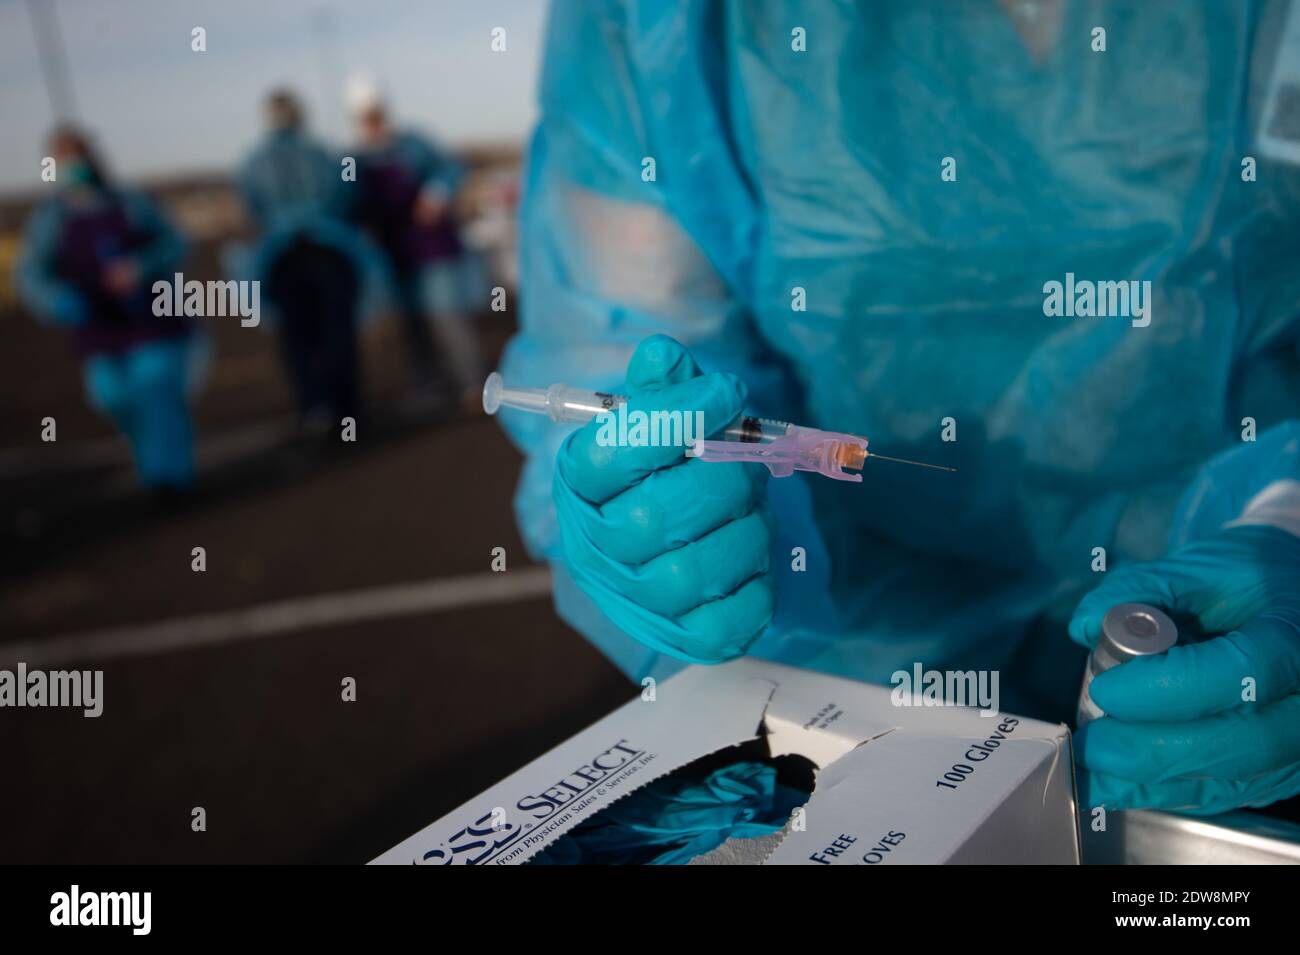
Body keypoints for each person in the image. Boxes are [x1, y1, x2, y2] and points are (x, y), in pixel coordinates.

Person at [497, 1, 1300, 817]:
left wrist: (1290, 519)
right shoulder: (659, 22)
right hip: (863, 664)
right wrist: (667, 504)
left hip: (1234, 628)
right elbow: (613, 342)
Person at [16, 126, 196, 492]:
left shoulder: (130, 202)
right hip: (99, 330)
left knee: (156, 393)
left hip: (153, 320)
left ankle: (170, 481)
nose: (73, 166)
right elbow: (31, 274)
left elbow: (176, 242)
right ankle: (155, 465)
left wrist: (140, 267)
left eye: (78, 156)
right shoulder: (50, 218)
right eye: (64, 160)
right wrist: (57, 300)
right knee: (113, 399)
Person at [345, 76, 484, 408]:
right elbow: (349, 201)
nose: (373, 123)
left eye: (376, 115)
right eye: (366, 118)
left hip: (433, 251)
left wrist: (436, 193)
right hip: (396, 256)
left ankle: (473, 385)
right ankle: (427, 388)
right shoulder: (355, 160)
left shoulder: (413, 144)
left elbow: (451, 168)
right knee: (412, 325)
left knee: (446, 318)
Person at [239, 89, 363, 429]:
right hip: (329, 255)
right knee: (336, 334)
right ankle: (347, 411)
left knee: (298, 339)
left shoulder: (253, 161)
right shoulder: (323, 154)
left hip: (282, 261)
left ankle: (315, 409)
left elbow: (252, 208)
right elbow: (347, 196)